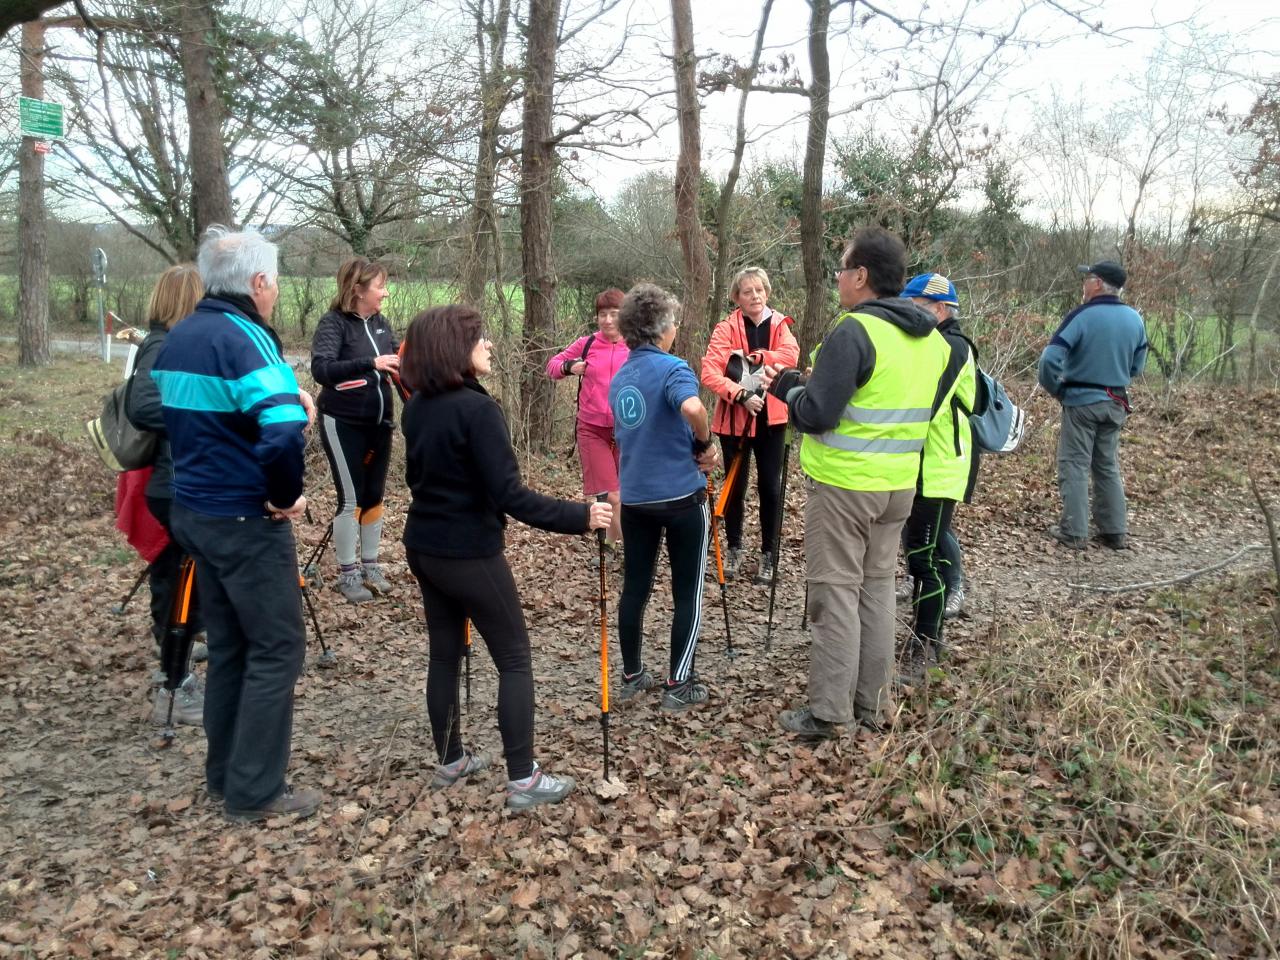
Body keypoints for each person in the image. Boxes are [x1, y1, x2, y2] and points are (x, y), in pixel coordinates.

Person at [399, 305, 612, 811]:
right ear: (456, 349)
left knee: (445, 655)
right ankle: (523, 778)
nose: (490, 345)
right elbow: (509, 495)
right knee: (514, 658)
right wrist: (580, 516)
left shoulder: (418, 405)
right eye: (480, 339)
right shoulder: (477, 410)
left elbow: (421, 481)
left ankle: (450, 760)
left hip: (424, 547)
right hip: (466, 552)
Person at [152, 225, 320, 823]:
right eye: (273, 280)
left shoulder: (182, 335)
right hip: (244, 517)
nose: (274, 291)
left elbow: (204, 423)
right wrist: (285, 497)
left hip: (194, 512)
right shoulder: (248, 340)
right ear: (258, 282)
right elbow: (277, 433)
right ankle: (255, 792)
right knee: (277, 647)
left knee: (229, 647)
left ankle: (225, 775)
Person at [762, 228, 954, 739]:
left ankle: (830, 714)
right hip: (899, 487)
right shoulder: (932, 340)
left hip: (846, 487)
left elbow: (819, 414)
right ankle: (874, 705)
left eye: (843, 269)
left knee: (835, 597)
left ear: (862, 275)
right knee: (877, 592)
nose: (839, 279)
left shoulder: (855, 332)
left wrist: (786, 385)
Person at [608, 283, 720, 711]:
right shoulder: (673, 368)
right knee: (686, 591)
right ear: (660, 329)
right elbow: (692, 408)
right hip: (680, 499)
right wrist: (705, 444)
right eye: (672, 322)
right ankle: (679, 683)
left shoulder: (621, 377)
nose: (675, 329)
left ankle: (634, 674)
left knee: (634, 588)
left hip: (635, 500)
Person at [124, 263, 206, 725]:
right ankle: (173, 686)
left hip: (175, 480)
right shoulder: (162, 344)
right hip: (171, 483)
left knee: (179, 580)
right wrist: (201, 415)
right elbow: (144, 405)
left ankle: (175, 667)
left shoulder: (166, 344)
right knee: (177, 583)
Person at [1038, 260, 1148, 550]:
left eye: (1087, 279)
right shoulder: (1135, 319)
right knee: (1107, 464)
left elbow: (1049, 360)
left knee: (1074, 464)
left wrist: (1058, 389)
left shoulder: (1082, 316)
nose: (1084, 284)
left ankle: (1074, 532)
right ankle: (1114, 531)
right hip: (1116, 402)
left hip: (1081, 402)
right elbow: (1138, 366)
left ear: (1098, 283)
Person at [699, 267, 800, 584]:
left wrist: (754, 359)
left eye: (759, 290)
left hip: (773, 420)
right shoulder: (725, 327)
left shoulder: (780, 325)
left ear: (767, 292)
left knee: (771, 487)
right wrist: (740, 394)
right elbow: (710, 372)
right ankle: (734, 547)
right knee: (735, 488)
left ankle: (769, 554)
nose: (754, 296)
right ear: (736, 297)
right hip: (734, 421)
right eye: (747, 291)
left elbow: (790, 356)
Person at [898, 272, 977, 671]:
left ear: (941, 310)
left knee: (924, 556)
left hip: (941, 467)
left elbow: (925, 404)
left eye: (917, 309)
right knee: (920, 548)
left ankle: (927, 644)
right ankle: (923, 626)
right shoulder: (930, 344)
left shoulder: (956, 348)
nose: (910, 317)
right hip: (918, 465)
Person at [310, 258, 401, 603]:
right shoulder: (334, 324)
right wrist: (370, 363)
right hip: (342, 421)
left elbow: (395, 362)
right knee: (351, 498)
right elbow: (323, 369)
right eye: (380, 286)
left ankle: (370, 565)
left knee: (374, 496)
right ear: (358, 289)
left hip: (380, 422)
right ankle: (348, 574)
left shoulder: (380, 323)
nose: (385, 293)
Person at [545, 289, 628, 548]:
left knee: (626, 495)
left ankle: (613, 543)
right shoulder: (587, 343)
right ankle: (632, 548)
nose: (607, 320)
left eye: (614, 314)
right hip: (592, 429)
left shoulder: (636, 345)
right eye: (602, 314)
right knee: (612, 495)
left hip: (628, 430)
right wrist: (569, 367)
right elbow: (552, 366)